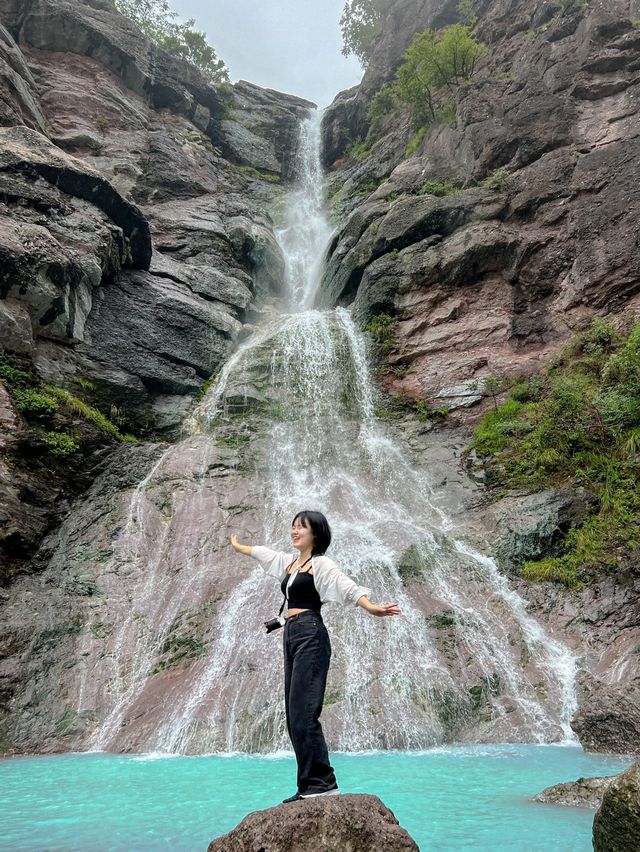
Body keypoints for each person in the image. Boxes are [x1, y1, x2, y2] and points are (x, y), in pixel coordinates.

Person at [230, 509, 401, 803]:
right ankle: (308, 785)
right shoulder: (291, 563)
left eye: (302, 528)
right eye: (293, 526)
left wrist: (370, 606)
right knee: (294, 715)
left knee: (305, 712)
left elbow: (344, 584)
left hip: (311, 633)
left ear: (316, 534)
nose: (295, 531)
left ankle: (323, 783)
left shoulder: (320, 564)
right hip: (292, 634)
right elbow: (266, 554)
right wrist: (239, 546)